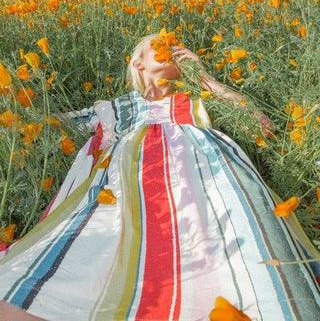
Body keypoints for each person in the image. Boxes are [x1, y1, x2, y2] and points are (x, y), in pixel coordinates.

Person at [0, 34, 319, 321]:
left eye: (179, 44)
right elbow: (45, 126)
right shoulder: (117, 107)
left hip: (214, 184)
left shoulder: (198, 99)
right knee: (69, 271)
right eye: (161, 43)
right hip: (132, 188)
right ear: (138, 63)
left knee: (246, 266)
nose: (174, 46)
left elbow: (262, 125)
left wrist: (204, 78)